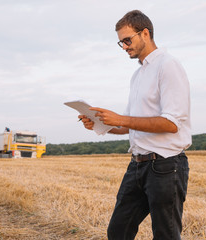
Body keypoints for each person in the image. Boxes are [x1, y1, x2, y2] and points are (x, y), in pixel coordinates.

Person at [78, 10, 191, 240]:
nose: (124, 47)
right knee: (118, 231)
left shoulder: (168, 66)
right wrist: (101, 124)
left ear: (145, 33)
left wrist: (120, 119)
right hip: (137, 166)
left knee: (166, 235)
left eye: (127, 40)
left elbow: (171, 123)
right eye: (121, 42)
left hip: (166, 166)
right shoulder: (137, 75)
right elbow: (129, 125)